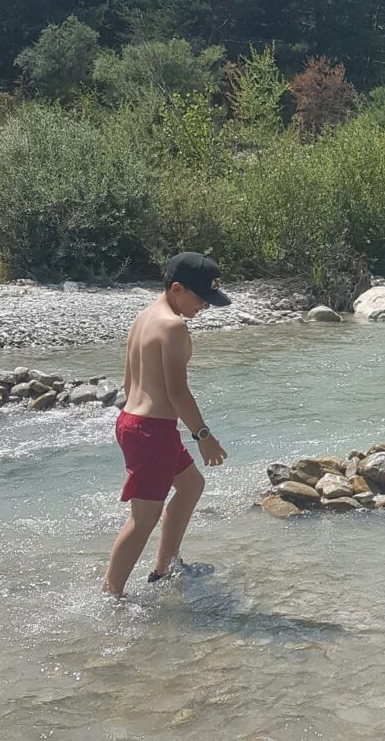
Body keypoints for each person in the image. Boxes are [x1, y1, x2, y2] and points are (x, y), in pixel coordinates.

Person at [102, 252, 230, 598]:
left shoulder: (144, 317)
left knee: (191, 486)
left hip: (135, 422)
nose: (205, 305)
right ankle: (111, 597)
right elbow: (177, 391)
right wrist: (203, 435)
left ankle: (165, 569)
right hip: (150, 432)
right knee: (143, 519)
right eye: (201, 297)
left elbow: (129, 383)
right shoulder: (173, 326)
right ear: (177, 288)